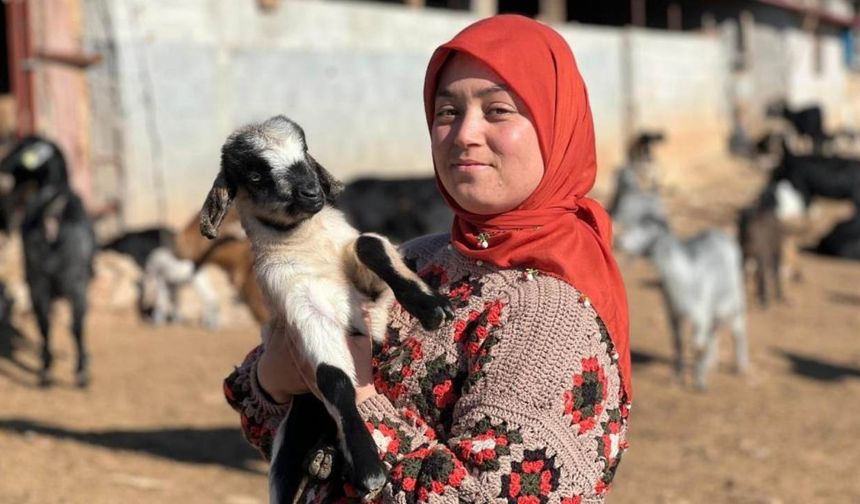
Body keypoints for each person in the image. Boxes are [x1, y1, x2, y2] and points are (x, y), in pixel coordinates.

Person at [224, 14, 632, 503]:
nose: (464, 134)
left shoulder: (550, 313)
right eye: (446, 112)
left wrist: (356, 402)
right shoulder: (416, 260)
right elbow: (264, 410)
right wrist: (277, 375)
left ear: (555, 123)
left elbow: (491, 496)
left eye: (498, 111)